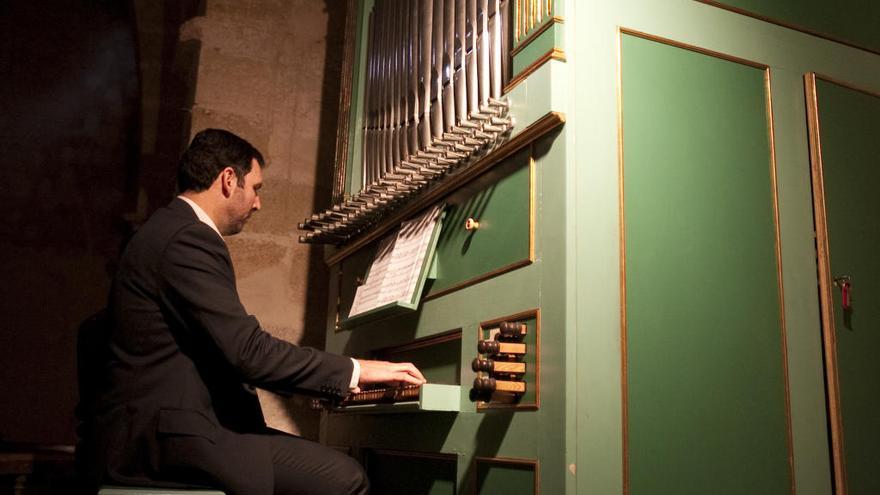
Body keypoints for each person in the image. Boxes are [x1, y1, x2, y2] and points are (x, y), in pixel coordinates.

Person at [76, 129, 425, 495]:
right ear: (228, 180)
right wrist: (357, 369)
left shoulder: (166, 230)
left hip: (164, 429)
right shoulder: (187, 238)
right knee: (347, 479)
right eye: (255, 188)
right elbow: (247, 353)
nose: (257, 203)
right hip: (167, 443)